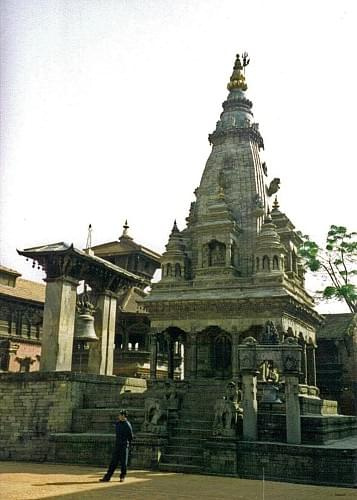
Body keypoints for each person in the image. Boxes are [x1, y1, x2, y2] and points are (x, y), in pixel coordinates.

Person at [99, 409, 133, 483]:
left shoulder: (127, 425)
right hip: (117, 445)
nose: (119, 416)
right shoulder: (118, 424)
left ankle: (122, 476)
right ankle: (107, 477)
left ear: (123, 416)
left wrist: (127, 445)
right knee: (113, 462)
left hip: (124, 446)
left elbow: (130, 437)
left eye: (120, 415)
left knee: (124, 463)